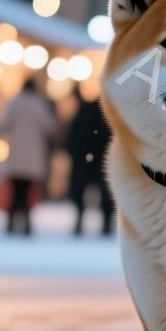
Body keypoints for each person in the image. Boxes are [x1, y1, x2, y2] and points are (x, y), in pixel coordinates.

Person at [0, 78, 57, 236]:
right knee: (27, 192)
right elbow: (50, 127)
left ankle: (11, 222)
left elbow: (2, 125)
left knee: (16, 191)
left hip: (16, 154)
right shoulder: (38, 105)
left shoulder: (14, 103)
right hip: (33, 155)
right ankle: (27, 223)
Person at [64, 82, 114, 236]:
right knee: (106, 193)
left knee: (79, 191)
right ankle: (105, 223)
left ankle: (79, 220)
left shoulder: (84, 112)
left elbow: (73, 136)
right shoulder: (110, 116)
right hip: (103, 160)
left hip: (84, 160)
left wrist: (74, 153)